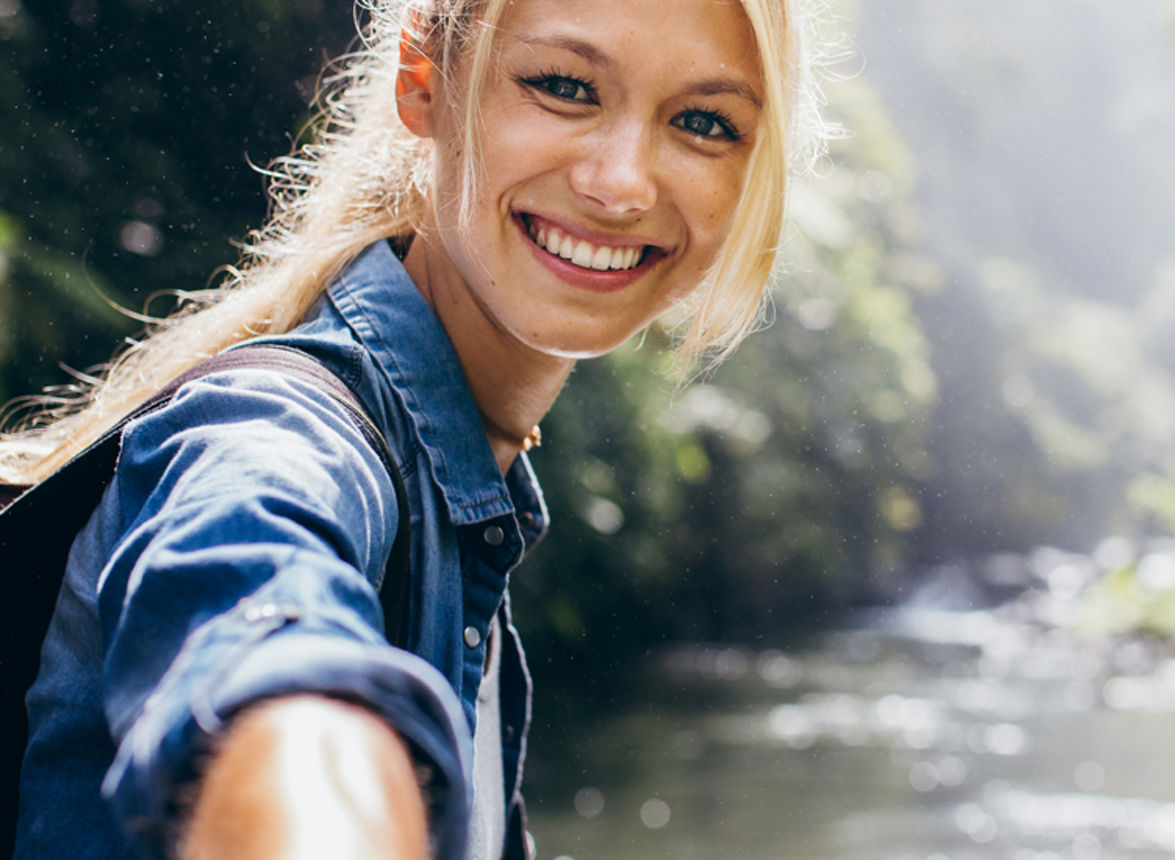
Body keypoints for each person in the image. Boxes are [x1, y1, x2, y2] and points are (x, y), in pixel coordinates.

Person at [1, 0, 830, 856]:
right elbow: (266, 640)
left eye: (703, 122)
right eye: (564, 86)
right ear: (422, 80)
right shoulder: (274, 433)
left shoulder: (469, 489)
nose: (621, 182)